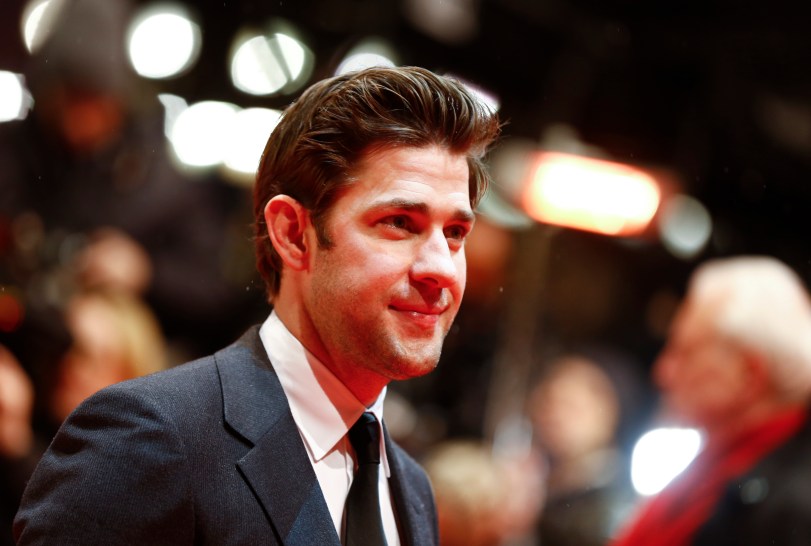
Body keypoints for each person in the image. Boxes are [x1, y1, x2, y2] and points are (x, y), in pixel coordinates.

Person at [14, 65, 501, 545]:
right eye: (399, 222)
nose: (442, 266)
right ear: (293, 234)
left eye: (456, 233)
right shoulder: (149, 440)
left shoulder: (412, 490)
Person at [612, 256, 811, 546]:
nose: (663, 372)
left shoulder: (790, 509)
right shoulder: (721, 467)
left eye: (684, 353)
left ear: (747, 376)